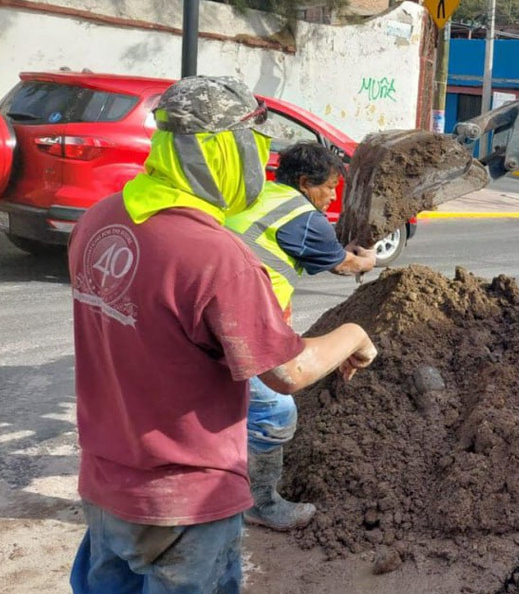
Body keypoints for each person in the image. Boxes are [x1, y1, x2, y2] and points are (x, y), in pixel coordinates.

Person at [69, 76, 378, 594]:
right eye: (255, 148)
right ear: (226, 152)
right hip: (186, 503)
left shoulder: (99, 220)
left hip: (104, 487)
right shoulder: (214, 255)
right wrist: (353, 334)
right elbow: (287, 372)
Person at [225, 141, 376, 531]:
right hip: (240, 326)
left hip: (211, 314)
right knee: (275, 409)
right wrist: (370, 259)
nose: (331, 196)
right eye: (327, 187)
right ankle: (259, 502)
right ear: (305, 182)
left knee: (225, 406)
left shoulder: (256, 197)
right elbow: (345, 265)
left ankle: (223, 477)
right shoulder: (305, 218)